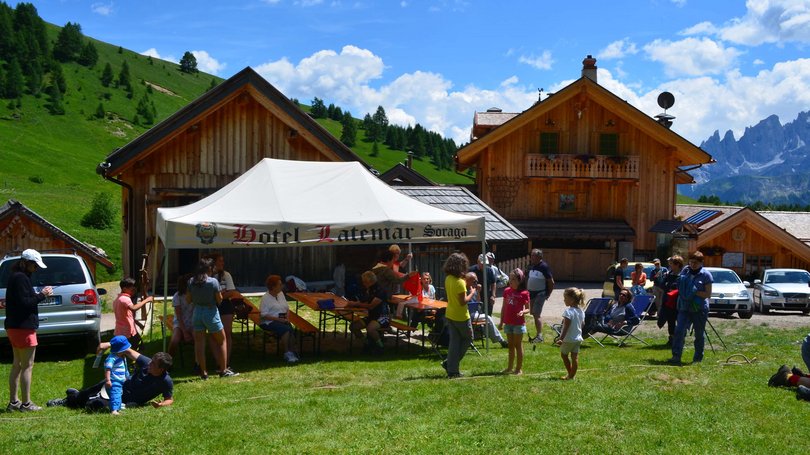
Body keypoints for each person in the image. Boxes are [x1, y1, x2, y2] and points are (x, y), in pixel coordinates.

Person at [47, 347, 173, 410]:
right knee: (88, 392)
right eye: (151, 361)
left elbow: (169, 399)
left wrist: (161, 404)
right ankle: (66, 401)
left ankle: (79, 397)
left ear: (161, 369)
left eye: (153, 364)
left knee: (94, 405)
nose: (149, 364)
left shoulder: (165, 381)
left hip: (124, 400)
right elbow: (128, 351)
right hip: (117, 385)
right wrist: (109, 344)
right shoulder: (147, 363)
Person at [4, 249, 53, 412]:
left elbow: (21, 301)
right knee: (27, 366)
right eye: (34, 265)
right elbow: (26, 303)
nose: (36, 269)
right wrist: (42, 295)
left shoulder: (16, 277)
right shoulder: (21, 279)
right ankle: (26, 403)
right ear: (25, 263)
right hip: (23, 327)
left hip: (14, 326)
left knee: (17, 364)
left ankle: (14, 402)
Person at [187, 258, 236, 379]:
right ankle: (223, 370)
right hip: (211, 311)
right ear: (209, 269)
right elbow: (219, 300)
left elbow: (188, 300)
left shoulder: (191, 281)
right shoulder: (213, 281)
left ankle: (203, 372)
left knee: (199, 343)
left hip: (197, 312)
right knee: (222, 340)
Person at [668, 251, 713, 365]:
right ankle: (676, 356)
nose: (693, 265)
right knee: (679, 331)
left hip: (699, 309)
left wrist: (693, 292)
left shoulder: (706, 275)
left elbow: (707, 294)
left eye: (696, 263)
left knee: (699, 334)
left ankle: (697, 358)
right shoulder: (685, 271)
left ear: (701, 263)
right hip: (684, 307)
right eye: (691, 262)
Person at [442, 252, 476, 378]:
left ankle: (452, 369)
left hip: (450, 314)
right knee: (468, 339)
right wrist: (472, 292)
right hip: (461, 316)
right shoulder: (460, 283)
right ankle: (450, 364)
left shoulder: (448, 278)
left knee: (454, 342)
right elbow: (463, 302)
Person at [259, 274, 299, 363]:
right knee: (286, 329)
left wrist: (287, 318)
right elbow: (263, 315)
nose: (282, 286)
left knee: (291, 329)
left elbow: (287, 308)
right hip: (269, 322)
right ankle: (287, 352)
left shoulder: (280, 294)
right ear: (273, 287)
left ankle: (292, 352)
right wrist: (278, 320)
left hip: (282, 319)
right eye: (280, 285)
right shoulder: (265, 298)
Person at [208, 253, 238, 372]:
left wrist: (218, 296)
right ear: (213, 262)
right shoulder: (207, 276)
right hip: (211, 306)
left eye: (222, 261)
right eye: (220, 261)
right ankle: (218, 362)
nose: (222, 263)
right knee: (213, 334)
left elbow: (231, 292)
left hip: (225, 306)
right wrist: (220, 295)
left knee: (226, 333)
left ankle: (226, 361)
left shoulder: (226, 275)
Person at [348, 270, 390, 354]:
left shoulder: (380, 290)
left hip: (383, 316)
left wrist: (357, 304)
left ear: (369, 281)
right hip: (372, 315)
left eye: (364, 282)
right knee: (353, 327)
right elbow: (366, 301)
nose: (363, 283)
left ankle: (380, 346)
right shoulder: (370, 289)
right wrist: (355, 304)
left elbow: (371, 305)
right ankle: (367, 343)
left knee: (370, 329)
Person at [498, 269, 530, 375]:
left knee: (518, 345)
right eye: (510, 278)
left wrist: (522, 312)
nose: (510, 281)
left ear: (519, 280)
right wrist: (501, 322)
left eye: (513, 279)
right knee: (510, 346)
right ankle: (509, 368)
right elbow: (504, 307)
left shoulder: (524, 293)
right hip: (508, 323)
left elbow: (528, 309)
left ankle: (518, 369)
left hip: (518, 324)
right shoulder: (507, 291)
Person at [466, 272, 508, 348]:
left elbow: (478, 302)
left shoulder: (473, 289)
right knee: (487, 318)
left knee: (486, 320)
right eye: (474, 281)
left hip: (475, 313)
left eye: (476, 281)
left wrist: (478, 291)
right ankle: (501, 341)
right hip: (468, 315)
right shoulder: (465, 290)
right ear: (467, 281)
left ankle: (500, 340)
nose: (476, 283)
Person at [556, 287, 586, 380]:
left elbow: (566, 326)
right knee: (575, 357)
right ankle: (572, 375)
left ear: (572, 300)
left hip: (568, 339)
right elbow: (583, 324)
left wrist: (561, 338)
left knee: (564, 355)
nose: (564, 300)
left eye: (565, 298)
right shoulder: (581, 311)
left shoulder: (568, 312)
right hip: (578, 339)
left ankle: (570, 375)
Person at [113, 277, 153, 346]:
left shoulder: (117, 300)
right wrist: (146, 300)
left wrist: (138, 323)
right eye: (132, 290)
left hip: (120, 330)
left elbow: (127, 316)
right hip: (127, 331)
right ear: (124, 289)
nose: (133, 292)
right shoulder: (125, 299)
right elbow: (134, 308)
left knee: (126, 349)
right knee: (136, 348)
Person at [526, 249, 555, 343]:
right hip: (531, 293)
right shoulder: (531, 266)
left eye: (533, 256)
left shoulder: (544, 267)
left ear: (539, 257)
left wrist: (548, 294)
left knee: (536, 314)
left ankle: (539, 336)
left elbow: (551, 282)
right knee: (533, 314)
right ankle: (538, 335)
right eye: (531, 255)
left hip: (540, 293)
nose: (531, 257)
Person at [657, 256, 683, 345]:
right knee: (670, 321)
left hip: (679, 303)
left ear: (678, 264)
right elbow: (661, 286)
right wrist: (669, 288)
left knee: (681, 322)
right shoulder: (668, 275)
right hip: (668, 302)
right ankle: (671, 338)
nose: (670, 266)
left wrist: (676, 290)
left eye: (672, 264)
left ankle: (679, 339)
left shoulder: (683, 276)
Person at [104, 335, 131, 415]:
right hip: (114, 381)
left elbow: (124, 367)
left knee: (118, 394)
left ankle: (118, 407)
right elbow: (108, 369)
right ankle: (114, 410)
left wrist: (126, 375)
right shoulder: (111, 358)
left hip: (120, 381)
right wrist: (108, 380)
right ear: (120, 349)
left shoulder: (122, 356)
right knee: (115, 394)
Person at [168, 274, 193, 358]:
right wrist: (185, 332)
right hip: (180, 323)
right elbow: (179, 316)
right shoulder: (177, 296)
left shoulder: (195, 295)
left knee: (199, 340)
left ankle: (198, 362)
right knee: (174, 341)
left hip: (193, 322)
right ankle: (168, 361)